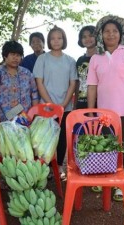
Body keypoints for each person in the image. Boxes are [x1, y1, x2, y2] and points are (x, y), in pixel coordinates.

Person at [86, 15, 124, 201]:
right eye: (107, 31)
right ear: (101, 35)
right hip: (104, 114)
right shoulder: (96, 57)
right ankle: (110, 181)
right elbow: (92, 86)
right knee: (107, 147)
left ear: (121, 34)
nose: (111, 34)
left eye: (115, 31)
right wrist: (90, 112)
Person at [33, 25, 78, 181]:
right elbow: (39, 82)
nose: (56, 41)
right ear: (49, 41)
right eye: (53, 38)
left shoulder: (70, 60)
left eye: (59, 38)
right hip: (46, 106)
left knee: (61, 138)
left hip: (66, 107)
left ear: (64, 40)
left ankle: (58, 167)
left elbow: (72, 84)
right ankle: (43, 168)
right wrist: (51, 104)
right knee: (44, 138)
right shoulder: (42, 59)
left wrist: (63, 105)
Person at [0, 40, 39, 128]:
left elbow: (34, 94)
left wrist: (34, 115)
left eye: (18, 55)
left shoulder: (27, 73)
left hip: (26, 119)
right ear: (5, 55)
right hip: (5, 120)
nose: (15, 58)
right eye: (12, 54)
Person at [75, 25, 97, 109]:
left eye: (91, 36)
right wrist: (75, 104)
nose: (87, 39)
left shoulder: (102, 58)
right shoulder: (80, 60)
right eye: (84, 37)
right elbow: (78, 83)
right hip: (81, 103)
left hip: (98, 104)